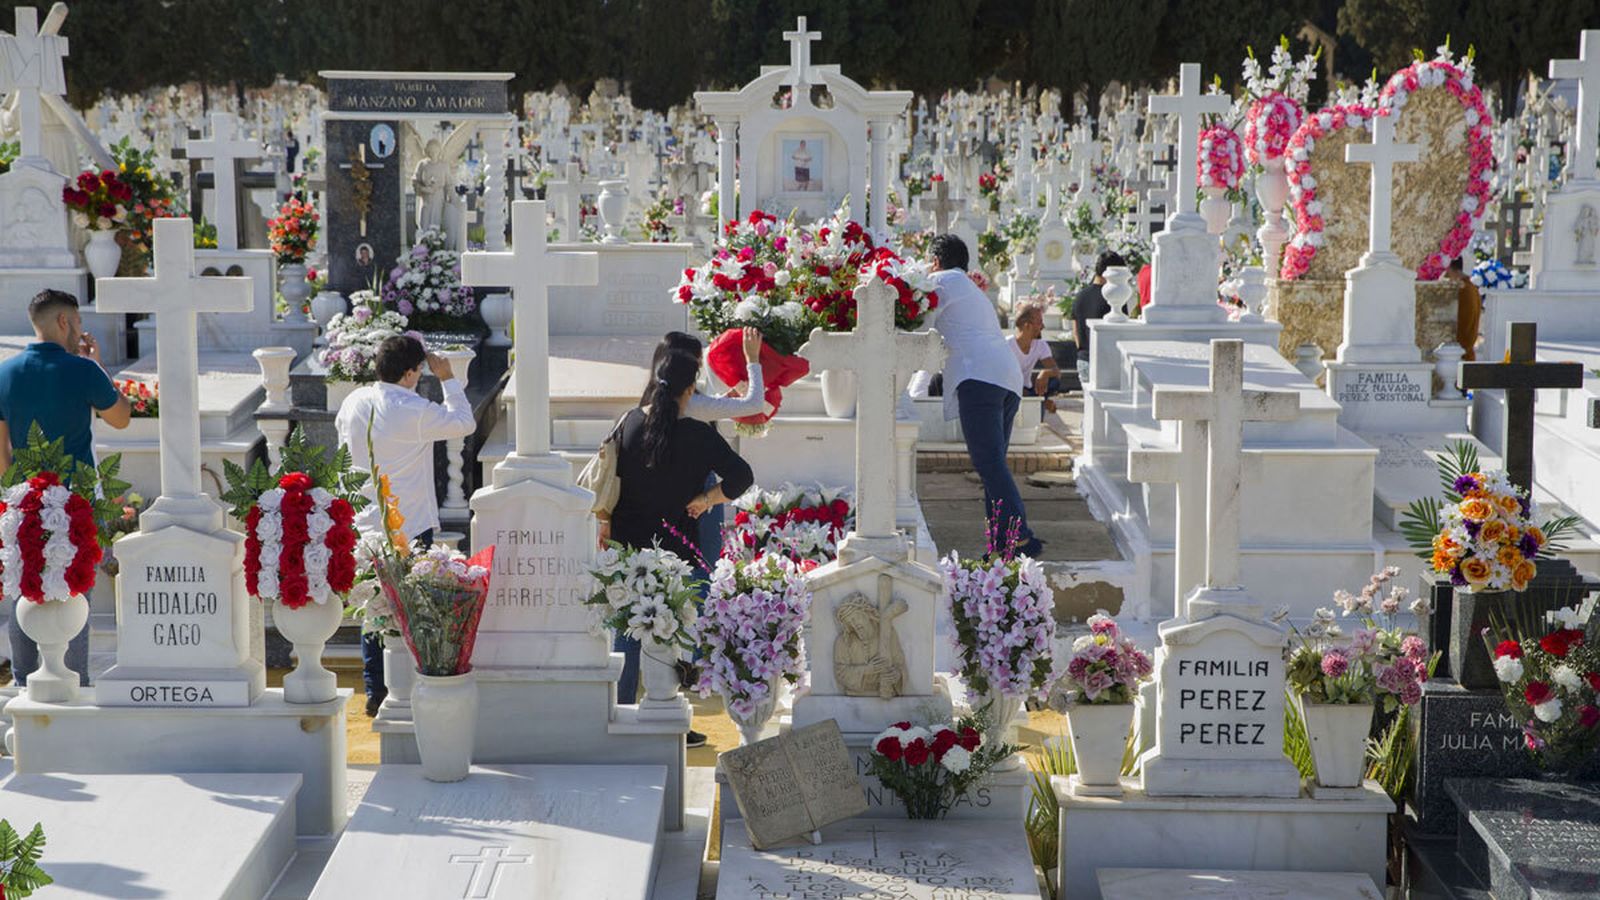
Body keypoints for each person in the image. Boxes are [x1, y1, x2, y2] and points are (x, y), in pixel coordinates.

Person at [610, 350, 754, 748]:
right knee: (669, 638)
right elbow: (742, 477)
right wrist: (708, 499)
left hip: (629, 551)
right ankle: (668, 717)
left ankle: (619, 716)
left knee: (626, 636)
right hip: (677, 552)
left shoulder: (630, 423)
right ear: (690, 389)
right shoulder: (699, 435)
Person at [335, 335, 476, 716]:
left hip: (364, 519)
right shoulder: (412, 410)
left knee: (373, 608)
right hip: (408, 522)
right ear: (412, 372)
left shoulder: (353, 401)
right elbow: (464, 422)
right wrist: (448, 378)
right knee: (409, 609)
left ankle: (375, 691)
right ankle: (409, 687)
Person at [0, 290, 131, 691]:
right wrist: (97, 364)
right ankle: (76, 681)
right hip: (76, 501)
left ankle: (23, 682)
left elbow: (0, 449)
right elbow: (121, 418)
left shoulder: (5, 372)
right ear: (63, 321)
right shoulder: (83, 369)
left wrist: (13, 497)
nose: (80, 330)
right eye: (76, 321)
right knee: (76, 588)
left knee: (24, 587)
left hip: (24, 498)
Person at [924, 234, 1041, 556]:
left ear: (935, 261)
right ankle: (1002, 545)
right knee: (994, 467)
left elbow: (919, 324)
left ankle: (1021, 536)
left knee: (988, 463)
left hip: (980, 378)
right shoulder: (968, 289)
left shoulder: (941, 281)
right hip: (1006, 378)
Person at [1070, 251, 1127, 385]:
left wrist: (1082, 351)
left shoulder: (1080, 296)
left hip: (1084, 359)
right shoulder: (1116, 298)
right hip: (1108, 362)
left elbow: (1076, 332)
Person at [1009, 302, 1062, 413]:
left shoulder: (1040, 345)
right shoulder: (1006, 346)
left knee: (1054, 381)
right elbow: (1003, 379)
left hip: (1028, 389)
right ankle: (1041, 402)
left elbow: (1057, 372)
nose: (1042, 327)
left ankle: (1040, 401)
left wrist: (1045, 373)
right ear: (1027, 326)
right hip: (1009, 390)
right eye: (1039, 323)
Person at [1444, 257, 1481, 361]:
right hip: (1467, 349)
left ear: (1452, 270)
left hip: (1462, 351)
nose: (1447, 277)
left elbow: (1463, 322)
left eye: (1447, 273)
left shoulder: (1463, 290)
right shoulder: (1471, 287)